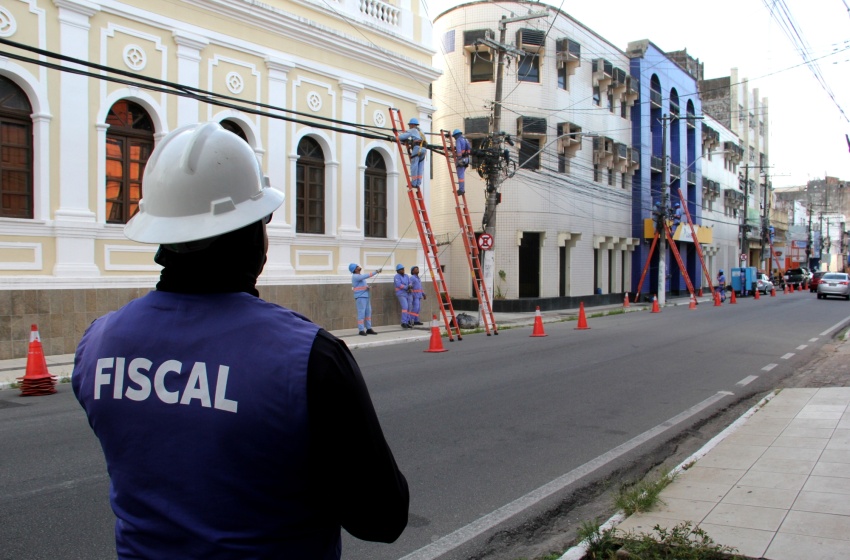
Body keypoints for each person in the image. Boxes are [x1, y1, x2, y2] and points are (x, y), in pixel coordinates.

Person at [71, 122, 408, 559]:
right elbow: (381, 518)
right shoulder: (310, 359)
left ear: (162, 236)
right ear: (252, 231)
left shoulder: (96, 345)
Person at [350, 263, 380, 336]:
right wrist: (375, 272)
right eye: (357, 266)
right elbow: (366, 276)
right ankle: (361, 330)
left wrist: (366, 287)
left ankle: (368, 328)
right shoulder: (355, 276)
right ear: (355, 269)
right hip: (360, 297)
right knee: (361, 313)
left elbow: (361, 286)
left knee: (368, 313)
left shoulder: (359, 276)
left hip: (365, 296)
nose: (358, 267)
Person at [398, 117, 427, 189]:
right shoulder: (421, 131)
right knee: (420, 166)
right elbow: (419, 139)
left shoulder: (413, 130)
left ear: (412, 125)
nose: (409, 126)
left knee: (414, 165)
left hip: (417, 148)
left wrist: (395, 138)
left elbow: (403, 136)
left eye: (410, 125)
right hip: (424, 149)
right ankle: (418, 183)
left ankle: (414, 182)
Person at [452, 129, 472, 196]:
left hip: (462, 159)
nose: (454, 138)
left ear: (456, 135)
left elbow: (459, 151)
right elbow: (469, 149)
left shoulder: (458, 140)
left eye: (454, 136)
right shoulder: (466, 139)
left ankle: (461, 190)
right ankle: (462, 189)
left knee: (460, 176)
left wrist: (459, 158)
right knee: (462, 175)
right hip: (467, 159)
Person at [394, 264, 412, 328]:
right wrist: (407, 287)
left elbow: (410, 282)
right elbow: (399, 285)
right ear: (398, 271)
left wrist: (410, 285)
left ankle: (407, 322)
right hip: (401, 294)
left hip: (407, 293)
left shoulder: (406, 276)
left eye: (403, 269)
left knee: (408, 307)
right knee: (405, 307)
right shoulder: (397, 276)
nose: (403, 270)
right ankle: (403, 322)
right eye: (401, 269)